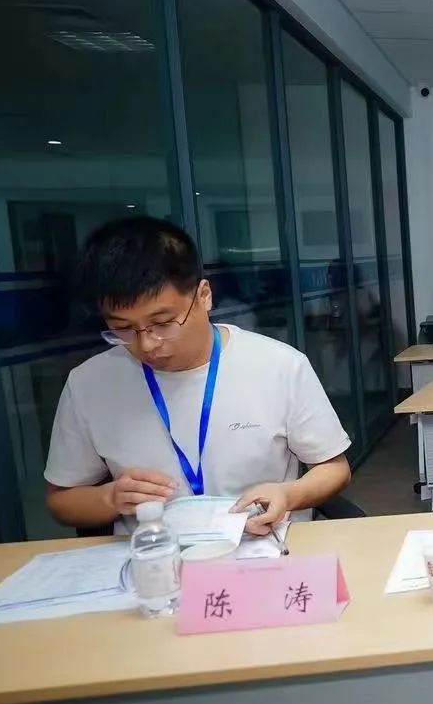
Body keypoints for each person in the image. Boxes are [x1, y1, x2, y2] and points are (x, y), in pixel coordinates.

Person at [44, 217, 352, 537]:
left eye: (163, 323)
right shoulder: (89, 384)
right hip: (154, 555)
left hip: (262, 547)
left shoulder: (279, 366)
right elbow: (61, 500)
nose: (147, 344)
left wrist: (289, 494)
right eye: (123, 328)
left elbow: (334, 468)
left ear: (204, 296)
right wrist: (109, 498)